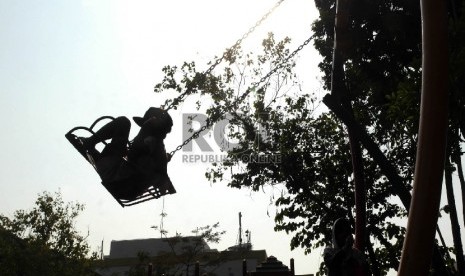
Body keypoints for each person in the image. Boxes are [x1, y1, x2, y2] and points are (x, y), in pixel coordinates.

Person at [78, 107, 174, 199]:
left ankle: (89, 143)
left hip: (116, 178)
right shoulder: (158, 148)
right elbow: (142, 158)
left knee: (123, 122)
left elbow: (135, 155)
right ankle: (92, 149)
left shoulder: (149, 140)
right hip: (125, 187)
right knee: (119, 147)